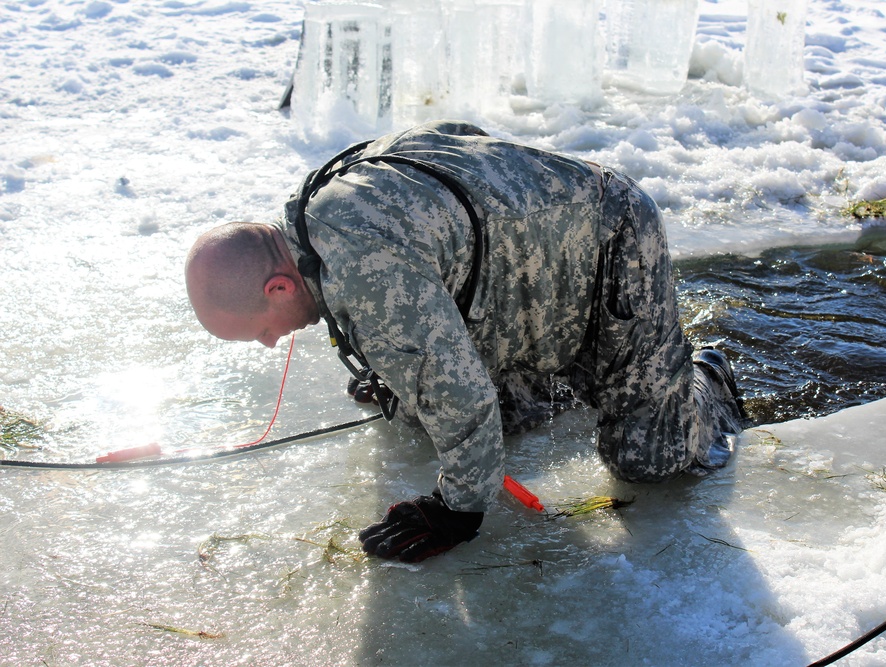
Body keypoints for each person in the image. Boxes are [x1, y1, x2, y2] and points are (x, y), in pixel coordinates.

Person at [185, 120, 745, 563]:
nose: (267, 344)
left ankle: (705, 380)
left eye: (260, 331)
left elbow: (460, 399)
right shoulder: (317, 208)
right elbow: (457, 134)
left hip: (611, 237)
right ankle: (564, 373)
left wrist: (457, 510)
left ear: (278, 286)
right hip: (542, 260)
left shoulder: (363, 268)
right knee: (418, 408)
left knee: (647, 458)